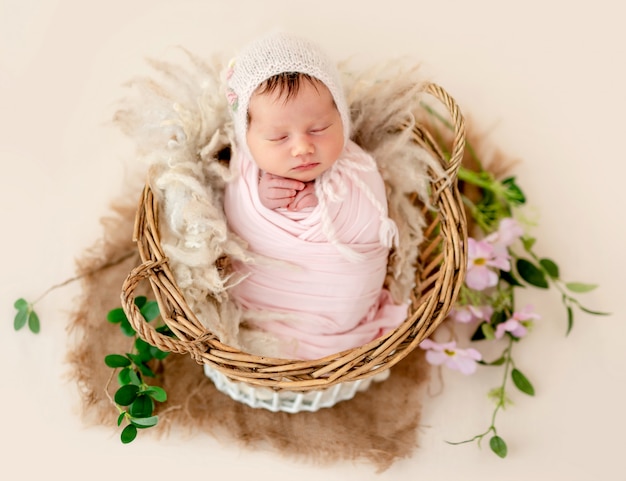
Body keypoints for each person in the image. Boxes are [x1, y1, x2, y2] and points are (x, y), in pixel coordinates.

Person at [223, 32, 408, 360]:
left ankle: (328, 339)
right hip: (265, 309)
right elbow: (233, 224)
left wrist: (326, 212)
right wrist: (261, 204)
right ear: (247, 139)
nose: (302, 147)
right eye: (278, 137)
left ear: (341, 118)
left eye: (319, 128)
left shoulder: (358, 170)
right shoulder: (245, 174)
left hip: (339, 311)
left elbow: (370, 225)